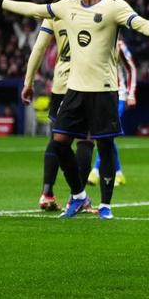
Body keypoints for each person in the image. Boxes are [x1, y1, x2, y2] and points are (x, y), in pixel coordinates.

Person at [0, 0, 149, 219]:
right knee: (59, 142)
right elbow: (34, 9)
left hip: (103, 89)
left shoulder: (114, 6)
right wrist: (0, 2)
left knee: (104, 146)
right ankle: (79, 196)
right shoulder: (66, 6)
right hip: (74, 90)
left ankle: (105, 206)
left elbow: (139, 23)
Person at [22, 16, 95, 212]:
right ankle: (76, 198)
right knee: (86, 140)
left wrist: (28, 82)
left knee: (57, 137)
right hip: (84, 82)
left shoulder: (55, 12)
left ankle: (47, 194)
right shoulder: (95, 10)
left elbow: (39, 48)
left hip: (60, 83)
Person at [88, 37, 136, 187]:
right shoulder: (94, 42)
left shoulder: (119, 45)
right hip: (100, 94)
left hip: (118, 95)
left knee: (106, 134)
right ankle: (119, 173)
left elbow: (131, 68)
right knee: (106, 136)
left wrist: (131, 94)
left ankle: (95, 171)